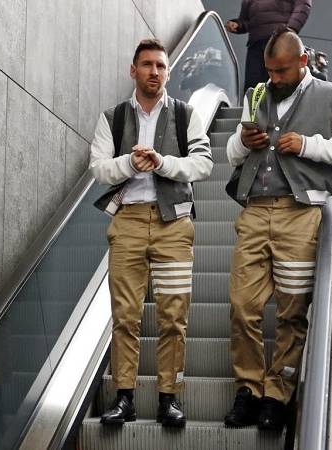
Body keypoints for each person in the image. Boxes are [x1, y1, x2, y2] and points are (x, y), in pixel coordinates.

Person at [223, 29, 332, 431]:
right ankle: (249, 389)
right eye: (269, 71)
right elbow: (231, 154)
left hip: (300, 214)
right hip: (255, 210)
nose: (274, 79)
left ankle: (278, 394)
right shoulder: (257, 94)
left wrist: (309, 145)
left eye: (282, 71)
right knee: (242, 305)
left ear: (303, 61)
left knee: (292, 310)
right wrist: (244, 140)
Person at [89, 39, 213, 428]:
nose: (154, 71)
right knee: (124, 315)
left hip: (173, 223)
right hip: (127, 221)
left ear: (168, 72)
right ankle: (124, 397)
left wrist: (163, 163)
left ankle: (168, 398)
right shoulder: (112, 117)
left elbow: (203, 163)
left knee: (173, 315)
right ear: (134, 70)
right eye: (146, 64)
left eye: (160, 65)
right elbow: (98, 169)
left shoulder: (185, 115)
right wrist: (129, 162)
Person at [225, 0, 312, 93]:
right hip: (256, 45)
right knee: (253, 87)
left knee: (281, 85)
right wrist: (238, 25)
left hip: (281, 42)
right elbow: (247, 21)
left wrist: (289, 30)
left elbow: (303, 5)